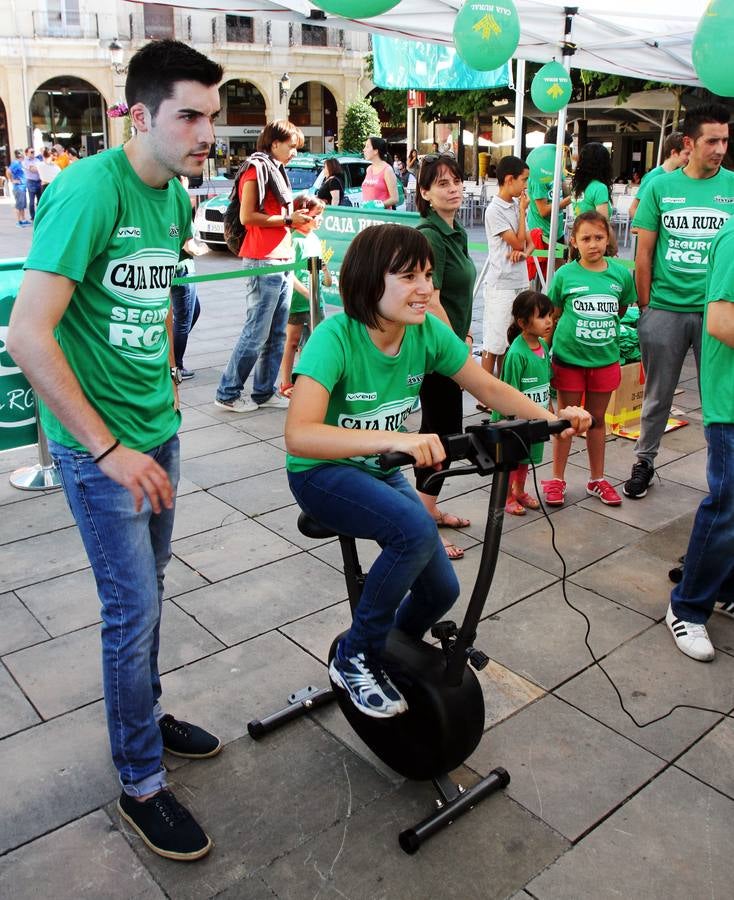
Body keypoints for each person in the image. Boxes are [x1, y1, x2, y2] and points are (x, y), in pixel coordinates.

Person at [7, 39, 224, 863]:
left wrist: (164, 393)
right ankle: (140, 781)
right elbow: (28, 334)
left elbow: (155, 300)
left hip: (155, 432)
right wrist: (104, 449)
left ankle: (145, 712)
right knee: (130, 612)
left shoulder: (170, 196)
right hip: (101, 452)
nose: (209, 131)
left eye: (214, 114)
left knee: (151, 595)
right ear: (139, 115)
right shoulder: (85, 192)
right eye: (191, 116)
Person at [284, 223, 590, 718]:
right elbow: (300, 434)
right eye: (408, 276)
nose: (425, 287)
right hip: (321, 473)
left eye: (427, 274)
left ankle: (389, 650)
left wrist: (551, 418)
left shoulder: (425, 332)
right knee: (411, 532)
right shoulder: (334, 337)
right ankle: (355, 654)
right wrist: (398, 439)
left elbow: (487, 388)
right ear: (367, 281)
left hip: (376, 471)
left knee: (442, 589)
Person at [624, 102, 734, 499]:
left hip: (717, 313)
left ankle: (721, 475)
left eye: (725, 139)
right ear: (689, 143)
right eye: (712, 140)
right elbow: (643, 255)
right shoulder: (661, 187)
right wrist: (646, 308)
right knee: (658, 395)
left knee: (720, 398)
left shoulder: (732, 187)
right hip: (666, 309)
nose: (720, 148)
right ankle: (644, 461)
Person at [666, 214, 734, 662]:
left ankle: (726, 587)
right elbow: (721, 322)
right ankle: (687, 607)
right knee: (727, 503)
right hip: (730, 403)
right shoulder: (731, 240)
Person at [214, 119, 313, 414]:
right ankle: (228, 392)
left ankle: (263, 391)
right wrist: (288, 220)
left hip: (279, 257)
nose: (295, 152)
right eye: (291, 146)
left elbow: (273, 214)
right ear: (274, 144)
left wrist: (296, 217)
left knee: (276, 334)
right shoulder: (257, 168)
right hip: (262, 259)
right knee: (256, 331)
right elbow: (247, 216)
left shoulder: (275, 170)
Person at [543, 212, 636, 507]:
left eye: (598, 237)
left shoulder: (620, 275)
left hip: (605, 361)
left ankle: (597, 478)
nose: (593, 244)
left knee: (596, 421)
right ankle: (556, 479)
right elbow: (553, 315)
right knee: (565, 421)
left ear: (608, 239)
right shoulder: (564, 275)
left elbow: (621, 310)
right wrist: (544, 356)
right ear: (574, 242)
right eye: (586, 238)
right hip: (568, 361)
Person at [415, 154, 477, 560]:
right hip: (438, 352)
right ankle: (422, 527)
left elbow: (458, 296)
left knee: (444, 432)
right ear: (425, 193)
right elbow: (431, 301)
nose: (453, 188)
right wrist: (456, 350)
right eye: (442, 183)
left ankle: (430, 510)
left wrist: (466, 333)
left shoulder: (457, 233)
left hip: (453, 345)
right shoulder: (430, 236)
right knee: (439, 434)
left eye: (456, 180)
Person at [492, 290, 554, 515]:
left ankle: (519, 490)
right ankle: (507, 496)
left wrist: (551, 411)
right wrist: (509, 421)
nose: (548, 321)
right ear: (522, 322)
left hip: (536, 420)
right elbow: (507, 391)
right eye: (541, 316)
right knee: (512, 459)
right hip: (516, 423)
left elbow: (547, 380)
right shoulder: (517, 354)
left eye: (549, 316)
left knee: (526, 458)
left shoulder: (543, 347)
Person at [481, 155, 530, 381]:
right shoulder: (495, 210)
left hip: (520, 280)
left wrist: (522, 254)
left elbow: (528, 245)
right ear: (509, 179)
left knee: (511, 339)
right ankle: (484, 394)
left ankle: (502, 387)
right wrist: (522, 211)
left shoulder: (514, 205)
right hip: (501, 284)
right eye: (523, 180)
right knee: (495, 341)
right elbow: (519, 241)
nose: (525, 186)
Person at [279, 194, 332, 398]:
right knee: (292, 342)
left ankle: (306, 379)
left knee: (313, 342)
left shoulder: (314, 238)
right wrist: (307, 293)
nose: (320, 219)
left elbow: (321, 269)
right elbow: (289, 273)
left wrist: (324, 277)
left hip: (316, 303)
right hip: (298, 303)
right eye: (316, 214)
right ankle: (285, 382)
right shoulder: (294, 240)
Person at [526, 126, 573, 280]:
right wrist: (567, 201)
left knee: (560, 277)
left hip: (557, 232)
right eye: (566, 149)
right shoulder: (538, 173)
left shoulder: (556, 169)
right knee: (542, 281)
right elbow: (543, 210)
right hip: (542, 235)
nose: (567, 153)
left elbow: (562, 191)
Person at [628, 131, 690, 220]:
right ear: (674, 153)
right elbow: (633, 209)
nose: (689, 158)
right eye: (687, 153)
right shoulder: (654, 176)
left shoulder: (680, 175)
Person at [171, 229, 207, 379]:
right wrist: (203, 249)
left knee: (194, 310)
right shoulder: (182, 209)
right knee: (182, 320)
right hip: (182, 269)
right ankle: (176, 365)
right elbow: (189, 247)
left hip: (175, 268)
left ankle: (171, 355)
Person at [361, 136, 399, 210]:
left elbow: (395, 198)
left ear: (376, 151)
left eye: (367, 147)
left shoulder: (387, 170)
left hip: (382, 217)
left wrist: (378, 205)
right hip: (367, 217)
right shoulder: (368, 169)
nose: (364, 150)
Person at [8, 149, 30, 227]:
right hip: (18, 187)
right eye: (22, 154)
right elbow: (8, 171)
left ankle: (23, 220)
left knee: (22, 205)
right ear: (20, 155)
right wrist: (12, 180)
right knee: (19, 205)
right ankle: (18, 221)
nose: (23, 155)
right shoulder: (16, 163)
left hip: (22, 187)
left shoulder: (19, 163)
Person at [22, 147, 43, 221]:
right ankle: (33, 216)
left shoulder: (37, 160)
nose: (33, 153)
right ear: (26, 153)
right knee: (31, 202)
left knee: (40, 200)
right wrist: (37, 167)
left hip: (39, 181)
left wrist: (37, 167)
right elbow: (33, 170)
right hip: (31, 182)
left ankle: (40, 215)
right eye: (31, 152)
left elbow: (40, 168)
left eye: (33, 152)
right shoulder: (25, 161)